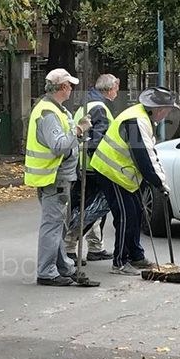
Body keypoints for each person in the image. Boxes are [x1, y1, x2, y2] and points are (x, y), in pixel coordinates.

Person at [90, 86, 178, 275]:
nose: (167, 114)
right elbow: (144, 157)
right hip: (112, 172)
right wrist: (159, 183)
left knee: (136, 214)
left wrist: (160, 179)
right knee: (126, 216)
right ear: (160, 109)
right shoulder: (136, 120)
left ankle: (136, 256)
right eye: (168, 110)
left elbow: (151, 154)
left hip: (123, 174)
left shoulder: (143, 118)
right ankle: (120, 262)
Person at [24, 68, 92, 287]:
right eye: (69, 85)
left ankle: (63, 266)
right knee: (52, 226)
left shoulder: (57, 110)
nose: (71, 89)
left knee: (57, 226)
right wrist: (78, 132)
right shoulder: (49, 114)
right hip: (54, 177)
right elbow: (59, 146)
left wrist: (78, 132)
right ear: (62, 87)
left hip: (54, 176)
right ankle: (46, 271)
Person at [64, 74, 120, 263]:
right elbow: (97, 142)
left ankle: (93, 247)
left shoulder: (87, 104)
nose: (117, 93)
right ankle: (69, 246)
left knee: (88, 208)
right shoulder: (100, 108)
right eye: (116, 89)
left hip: (84, 165)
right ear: (110, 89)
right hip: (93, 168)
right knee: (92, 208)